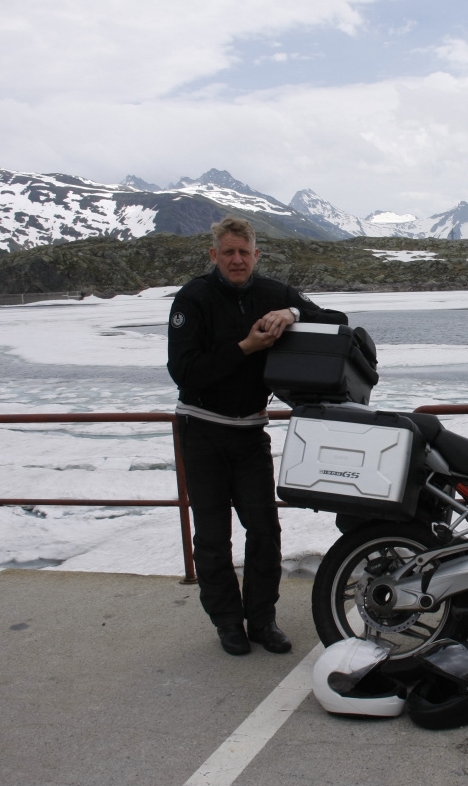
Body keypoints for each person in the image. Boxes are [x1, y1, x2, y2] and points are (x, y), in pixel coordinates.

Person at [167, 217, 348, 656]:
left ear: (256, 255)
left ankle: (262, 620)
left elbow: (337, 320)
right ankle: (228, 621)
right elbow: (184, 371)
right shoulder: (193, 298)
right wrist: (246, 348)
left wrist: (294, 312)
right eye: (228, 252)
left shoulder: (273, 292)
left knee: (264, 530)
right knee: (213, 536)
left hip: (250, 433)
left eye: (244, 252)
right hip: (202, 430)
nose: (236, 260)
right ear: (214, 255)